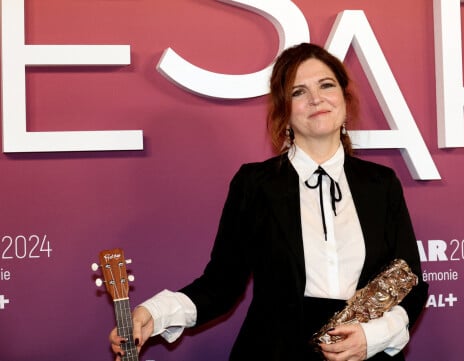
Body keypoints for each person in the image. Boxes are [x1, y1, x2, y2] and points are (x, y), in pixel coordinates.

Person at [110, 43, 428, 361]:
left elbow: (410, 281)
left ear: (344, 98)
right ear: (284, 112)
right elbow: (220, 285)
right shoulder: (256, 185)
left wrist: (373, 337)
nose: (316, 98)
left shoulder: (381, 184)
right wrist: (155, 314)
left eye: (326, 85)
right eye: (298, 92)